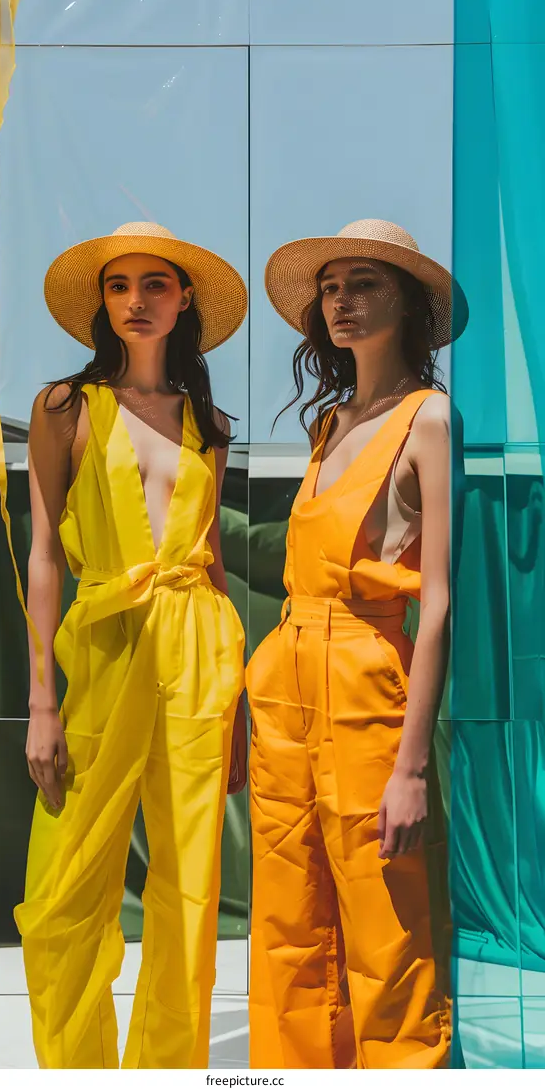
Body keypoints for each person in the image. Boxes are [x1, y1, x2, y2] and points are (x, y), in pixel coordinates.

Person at [14, 222, 248, 1069]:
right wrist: (42, 699)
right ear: (101, 303)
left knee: (189, 892)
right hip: (105, 650)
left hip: (199, 654)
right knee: (63, 887)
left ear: (183, 300)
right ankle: (77, 1070)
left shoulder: (209, 423)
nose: (137, 300)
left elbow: (214, 564)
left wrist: (242, 704)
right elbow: (44, 553)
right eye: (120, 286)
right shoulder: (66, 407)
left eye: (156, 284)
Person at [247, 219, 469, 1069]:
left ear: (407, 302)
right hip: (285, 684)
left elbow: (439, 604)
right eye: (332, 286)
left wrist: (411, 766)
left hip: (370, 683)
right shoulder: (330, 422)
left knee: (387, 923)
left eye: (365, 283)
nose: (342, 300)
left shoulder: (429, 419)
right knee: (287, 922)